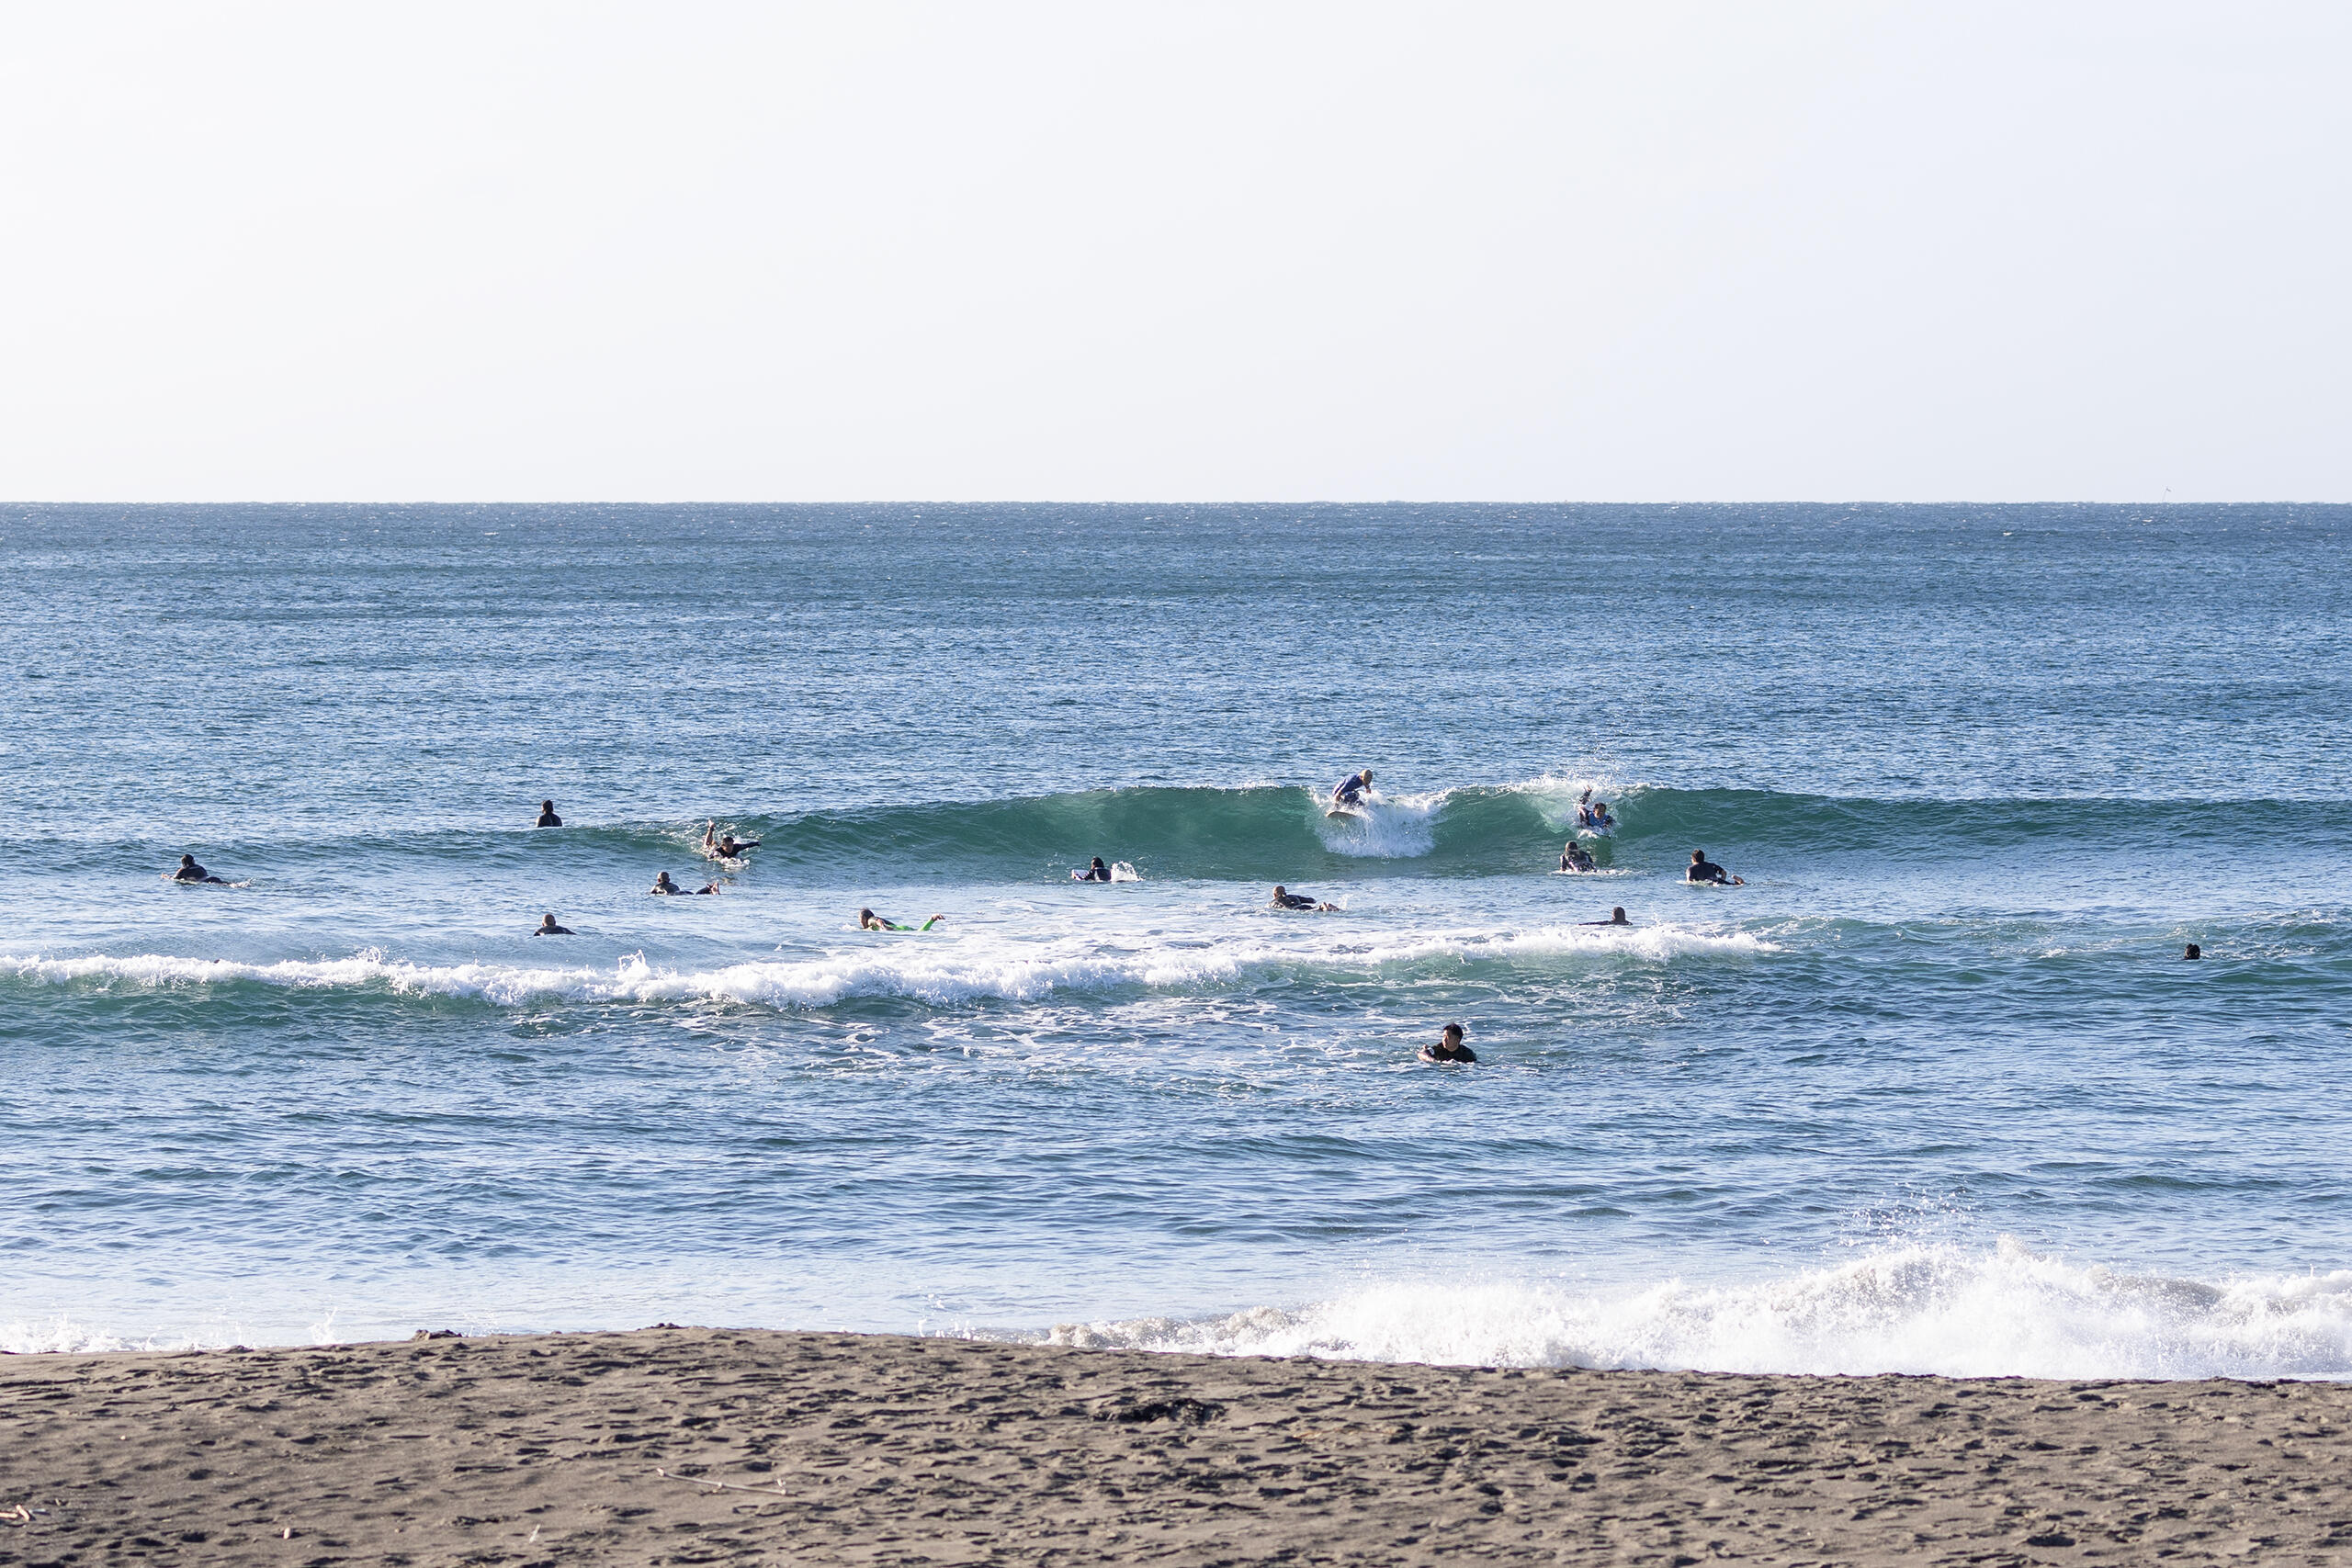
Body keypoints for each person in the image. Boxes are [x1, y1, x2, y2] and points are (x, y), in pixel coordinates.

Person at [860, 908, 944, 931]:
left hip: (896, 929)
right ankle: (932, 919)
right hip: (901, 927)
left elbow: (878, 920)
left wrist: (884, 927)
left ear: (864, 918)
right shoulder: (869, 927)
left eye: (859, 919)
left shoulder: (870, 920)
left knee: (920, 932)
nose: (860, 922)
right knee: (920, 932)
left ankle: (932, 919)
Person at [1270, 885, 1338, 911]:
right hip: (1303, 906)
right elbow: (1312, 901)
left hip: (1296, 909)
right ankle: (1328, 906)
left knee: (1318, 910)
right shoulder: (1293, 896)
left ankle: (1323, 906)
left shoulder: (1272, 903)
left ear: (1275, 895)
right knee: (1315, 908)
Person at [651, 872, 718, 896]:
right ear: (669, 880)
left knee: (696, 895)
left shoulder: (656, 886)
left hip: (673, 894)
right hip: (683, 892)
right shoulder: (675, 885)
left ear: (658, 880)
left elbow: (651, 894)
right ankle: (709, 888)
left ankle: (708, 889)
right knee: (694, 894)